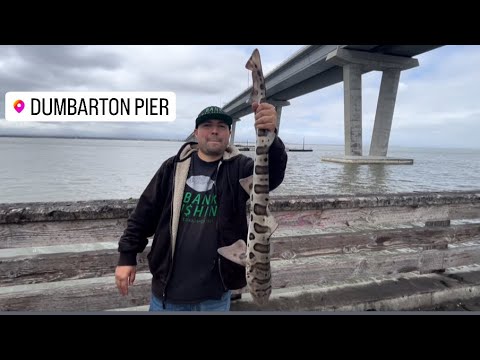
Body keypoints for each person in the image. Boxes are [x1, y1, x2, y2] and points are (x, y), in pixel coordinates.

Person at [115, 101, 288, 311]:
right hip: (168, 295)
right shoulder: (173, 167)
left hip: (215, 297)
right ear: (196, 132)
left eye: (221, 126)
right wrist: (127, 256)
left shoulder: (240, 168)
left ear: (229, 133)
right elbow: (144, 213)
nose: (214, 131)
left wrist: (272, 136)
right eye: (207, 125)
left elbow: (272, 175)